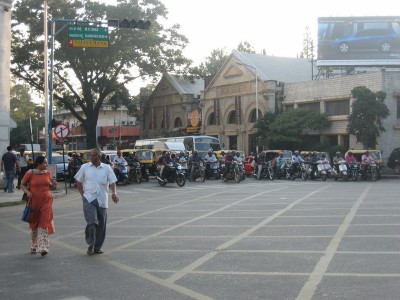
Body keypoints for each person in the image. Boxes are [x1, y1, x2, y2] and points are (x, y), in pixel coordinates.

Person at [74, 148, 119, 256]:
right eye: (91, 155)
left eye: (94, 155)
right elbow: (78, 181)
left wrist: (114, 193)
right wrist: (83, 195)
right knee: (92, 222)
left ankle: (97, 247)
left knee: (101, 225)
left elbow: (112, 182)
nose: (92, 157)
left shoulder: (107, 168)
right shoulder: (85, 167)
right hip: (89, 199)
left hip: (102, 200)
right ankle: (91, 244)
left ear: (99, 156)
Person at [20, 155, 57, 256]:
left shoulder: (48, 173)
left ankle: (44, 247)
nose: (47, 164)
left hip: (46, 201)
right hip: (34, 202)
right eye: (45, 163)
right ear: (39, 164)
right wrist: (27, 192)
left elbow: (50, 186)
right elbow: (22, 184)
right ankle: (34, 245)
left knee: (44, 224)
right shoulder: (30, 173)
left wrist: (53, 184)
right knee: (34, 226)